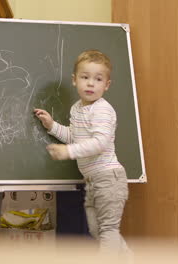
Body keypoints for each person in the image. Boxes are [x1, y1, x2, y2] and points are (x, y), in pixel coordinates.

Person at [34, 49, 130, 254]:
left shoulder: (102, 110)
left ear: (107, 85)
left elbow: (100, 142)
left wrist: (69, 152)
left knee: (108, 231)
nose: (90, 83)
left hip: (108, 178)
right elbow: (74, 137)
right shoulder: (77, 108)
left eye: (98, 79)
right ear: (75, 80)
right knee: (98, 231)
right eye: (85, 77)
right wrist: (51, 126)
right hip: (92, 182)